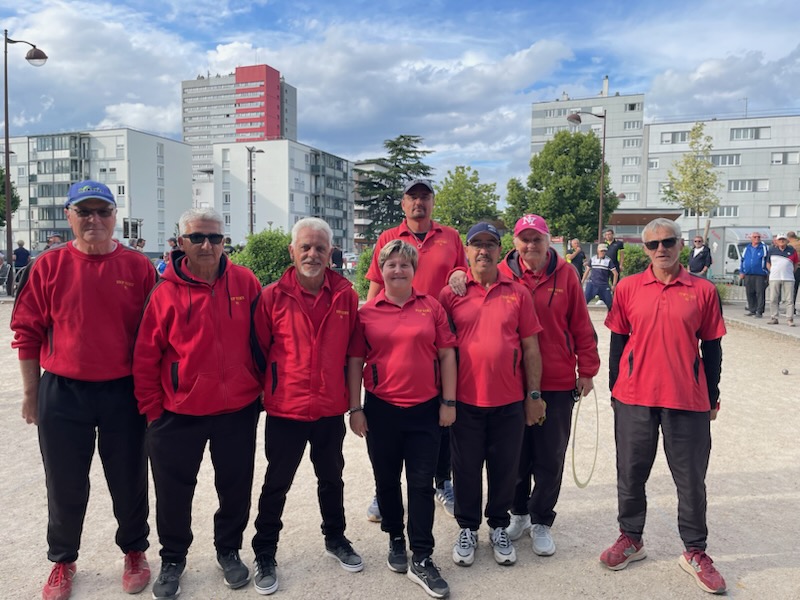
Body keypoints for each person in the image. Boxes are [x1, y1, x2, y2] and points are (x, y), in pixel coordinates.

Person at [11, 180, 154, 600]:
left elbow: (156, 335)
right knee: (65, 481)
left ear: (115, 217)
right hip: (63, 390)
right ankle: (63, 560)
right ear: (69, 216)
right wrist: (30, 393)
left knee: (128, 476)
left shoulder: (138, 267)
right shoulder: (47, 265)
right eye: (84, 212)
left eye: (103, 212)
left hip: (122, 391)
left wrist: (152, 393)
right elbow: (26, 332)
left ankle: (134, 551)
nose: (94, 220)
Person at [133, 208, 263, 598]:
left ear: (225, 241)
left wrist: (257, 389)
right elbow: (144, 357)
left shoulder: (246, 281)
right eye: (197, 238)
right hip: (177, 414)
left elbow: (264, 340)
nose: (207, 245)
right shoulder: (164, 291)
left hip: (237, 410)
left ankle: (229, 551)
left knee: (236, 488)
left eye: (215, 238)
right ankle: (173, 558)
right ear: (181, 242)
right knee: (174, 492)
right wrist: (154, 412)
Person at [601, 218, 727, 595]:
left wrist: (712, 395)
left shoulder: (703, 290)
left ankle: (695, 551)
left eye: (669, 242)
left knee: (690, 480)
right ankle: (631, 538)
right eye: (654, 244)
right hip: (633, 397)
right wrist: (614, 390)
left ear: (680, 244)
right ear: (644, 250)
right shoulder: (627, 288)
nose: (662, 249)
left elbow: (713, 350)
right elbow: (618, 343)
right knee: (630, 472)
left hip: (687, 400)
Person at [251, 217, 363, 595]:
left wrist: (353, 405)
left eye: (320, 248)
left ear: (330, 253)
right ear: (292, 252)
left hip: (330, 409)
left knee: (332, 478)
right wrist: (270, 391)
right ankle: (264, 551)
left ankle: (336, 538)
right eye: (306, 247)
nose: (313, 254)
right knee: (276, 484)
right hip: (287, 410)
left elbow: (353, 353)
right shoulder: (271, 296)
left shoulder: (346, 295)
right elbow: (259, 352)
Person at [347, 239, 457, 599]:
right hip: (381, 410)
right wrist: (356, 408)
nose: (398, 270)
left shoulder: (431, 308)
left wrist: (448, 402)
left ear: (414, 270)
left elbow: (446, 356)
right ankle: (396, 537)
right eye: (391, 264)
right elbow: (354, 363)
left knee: (422, 485)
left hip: (425, 409)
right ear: (381, 269)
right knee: (387, 481)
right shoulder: (367, 312)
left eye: (405, 264)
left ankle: (422, 556)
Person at [494, 215, 600, 557]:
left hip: (555, 380)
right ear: (515, 242)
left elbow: (581, 324)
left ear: (548, 240)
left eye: (537, 239)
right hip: (511, 381)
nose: (530, 246)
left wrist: (587, 369)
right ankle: (519, 513)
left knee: (550, 454)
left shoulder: (566, 274)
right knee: (514, 454)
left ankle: (541, 519)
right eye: (524, 239)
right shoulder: (502, 273)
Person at [439, 222, 544, 568]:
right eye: (476, 244)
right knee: (465, 469)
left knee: (505, 469)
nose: (483, 250)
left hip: (509, 401)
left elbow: (530, 348)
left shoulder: (517, 292)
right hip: (466, 401)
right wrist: (446, 399)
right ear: (467, 251)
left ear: (501, 251)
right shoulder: (450, 293)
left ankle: (498, 526)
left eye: (490, 244)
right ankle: (467, 528)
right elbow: (441, 351)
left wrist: (533, 394)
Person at [365, 178, 467, 521]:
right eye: (412, 197)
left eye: (424, 197)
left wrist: (456, 273)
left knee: (439, 412)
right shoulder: (388, 238)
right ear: (403, 203)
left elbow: (463, 271)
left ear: (433, 202)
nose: (418, 203)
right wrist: (367, 326)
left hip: (438, 331)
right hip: (395, 331)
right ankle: (384, 490)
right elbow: (376, 284)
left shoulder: (450, 236)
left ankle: (443, 481)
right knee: (388, 422)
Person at [766, 233, 798, 326]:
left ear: (787, 241)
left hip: (788, 278)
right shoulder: (772, 250)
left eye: (783, 239)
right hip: (774, 278)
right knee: (773, 299)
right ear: (776, 241)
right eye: (780, 239)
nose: (782, 241)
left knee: (789, 300)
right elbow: (768, 263)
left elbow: (796, 263)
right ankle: (774, 317)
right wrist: (772, 271)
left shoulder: (792, 250)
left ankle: (789, 319)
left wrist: (791, 271)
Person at [739, 232, 769, 318]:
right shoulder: (747, 248)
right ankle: (752, 309)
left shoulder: (764, 248)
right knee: (750, 292)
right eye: (755, 237)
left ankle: (759, 311)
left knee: (759, 293)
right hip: (748, 274)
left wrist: (767, 273)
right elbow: (742, 260)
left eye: (758, 237)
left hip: (760, 274)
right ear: (751, 238)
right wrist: (742, 271)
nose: (757, 238)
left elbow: (768, 260)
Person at [582, 244, 618, 309]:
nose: (603, 252)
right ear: (598, 251)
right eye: (601, 251)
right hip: (592, 284)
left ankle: (613, 318)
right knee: (583, 302)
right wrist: (582, 281)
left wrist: (614, 285)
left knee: (610, 304)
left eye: (604, 251)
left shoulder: (608, 260)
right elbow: (587, 271)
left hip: (603, 285)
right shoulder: (593, 259)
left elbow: (615, 273)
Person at [786, 231, 800, 316]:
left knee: (793, 290)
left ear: (789, 237)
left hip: (796, 268)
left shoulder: (790, 246)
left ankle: (792, 309)